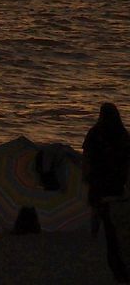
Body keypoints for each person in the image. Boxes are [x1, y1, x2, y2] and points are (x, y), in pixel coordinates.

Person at [84, 103, 130, 282]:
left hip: (100, 190)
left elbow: (87, 163)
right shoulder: (123, 136)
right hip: (118, 192)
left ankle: (120, 274)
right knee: (117, 235)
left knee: (111, 237)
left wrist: (88, 181)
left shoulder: (95, 135)